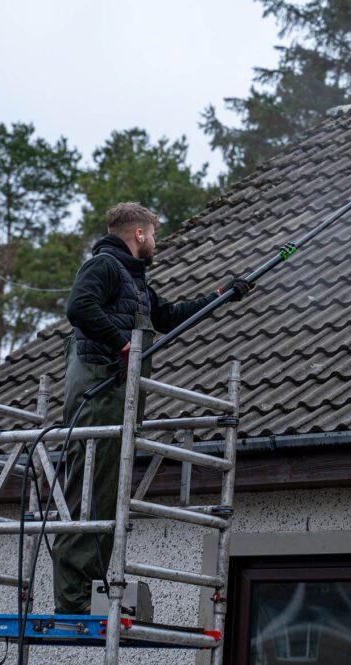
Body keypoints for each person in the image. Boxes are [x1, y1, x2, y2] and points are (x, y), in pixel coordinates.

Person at [52, 201, 252, 614]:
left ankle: (90, 594)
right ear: (139, 234)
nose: (156, 242)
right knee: (89, 496)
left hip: (117, 401)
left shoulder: (134, 282)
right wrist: (123, 344)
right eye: (154, 234)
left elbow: (169, 316)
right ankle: (72, 601)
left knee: (106, 500)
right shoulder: (105, 266)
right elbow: (79, 307)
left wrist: (221, 296)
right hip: (98, 397)